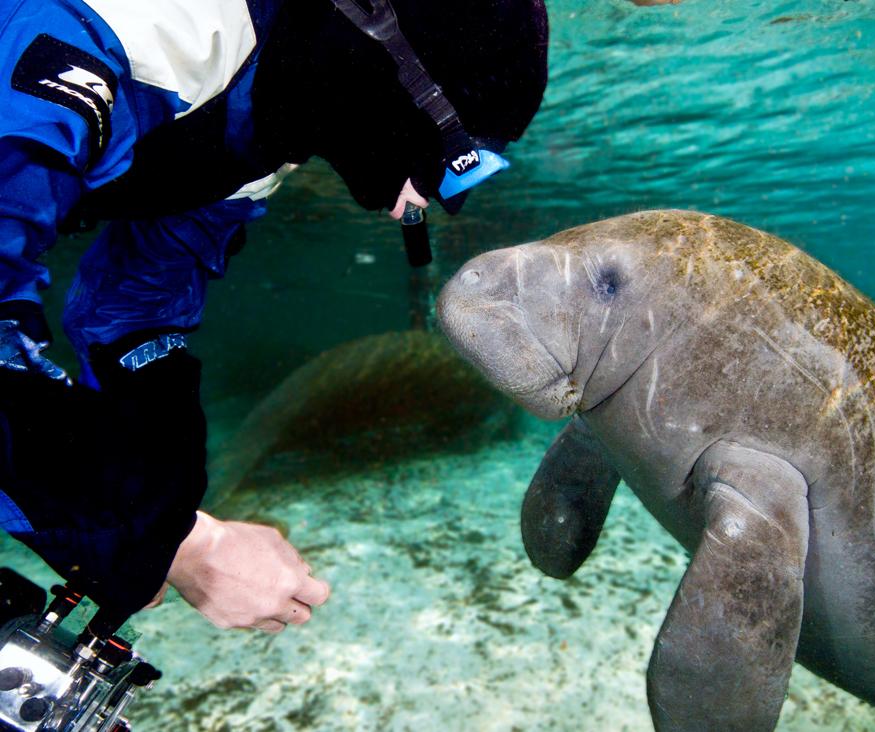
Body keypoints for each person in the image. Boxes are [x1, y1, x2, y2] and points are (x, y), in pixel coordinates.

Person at [0, 0, 549, 633]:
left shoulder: (269, 124)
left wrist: (165, 511)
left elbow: (136, 315)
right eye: (460, 164)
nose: (427, 206)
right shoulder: (140, 23)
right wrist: (173, 546)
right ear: (395, 74)